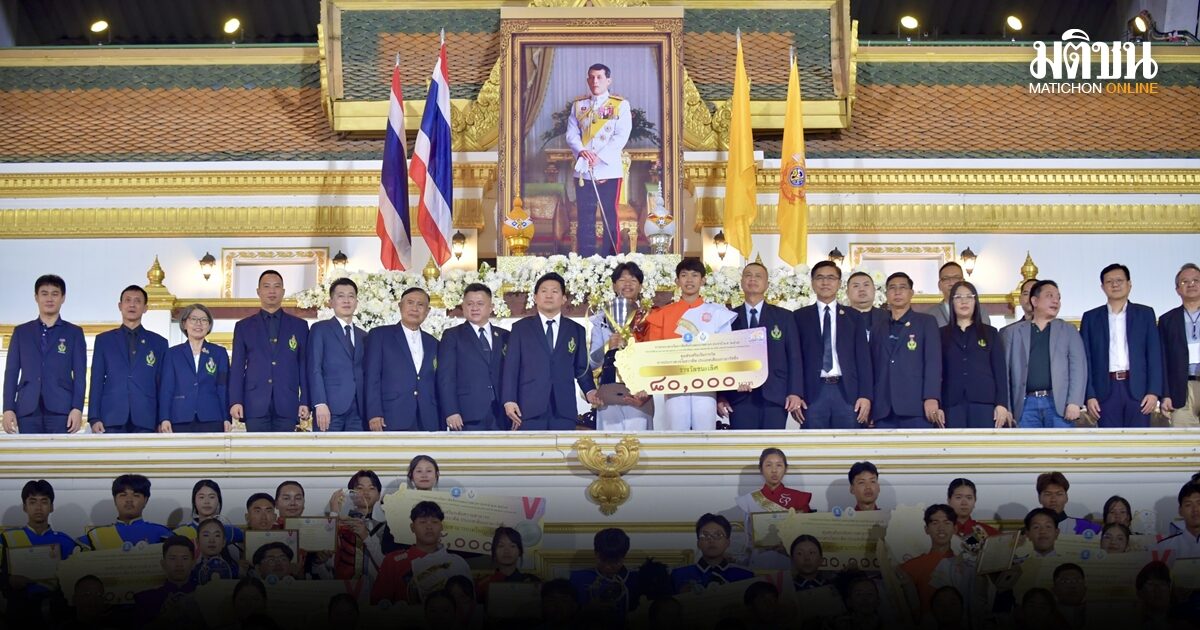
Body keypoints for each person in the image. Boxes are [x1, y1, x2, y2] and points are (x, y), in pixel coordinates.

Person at [643, 258, 735, 430]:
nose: (689, 280)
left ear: (703, 280)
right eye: (684, 275)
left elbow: (726, 352)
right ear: (677, 281)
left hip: (707, 384)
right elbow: (653, 352)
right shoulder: (662, 314)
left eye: (695, 275)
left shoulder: (718, 313)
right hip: (674, 385)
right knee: (676, 435)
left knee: (705, 436)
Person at [502, 272, 599, 431]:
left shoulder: (576, 330)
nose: (549, 295)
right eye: (544, 291)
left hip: (564, 409)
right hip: (529, 408)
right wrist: (509, 400)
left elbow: (582, 367)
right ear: (535, 297)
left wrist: (589, 390)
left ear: (564, 298)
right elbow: (511, 368)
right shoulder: (520, 329)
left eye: (554, 291)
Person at [718, 262, 804, 430]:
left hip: (775, 395)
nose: (753, 279)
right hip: (738, 396)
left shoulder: (784, 317)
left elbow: (794, 357)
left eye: (758, 276)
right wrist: (721, 395)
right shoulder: (728, 318)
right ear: (741, 282)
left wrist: (795, 392)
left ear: (767, 284)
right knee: (743, 444)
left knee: (772, 444)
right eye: (748, 275)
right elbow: (721, 358)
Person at [1080, 263, 1163, 428]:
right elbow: (1085, 360)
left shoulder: (1145, 314)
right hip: (1105, 391)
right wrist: (1089, 395)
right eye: (1109, 281)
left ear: (1129, 284)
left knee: (1139, 440)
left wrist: (1153, 392)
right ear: (1102, 287)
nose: (1115, 285)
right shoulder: (1091, 317)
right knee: (1109, 441)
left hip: (1138, 390)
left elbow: (1154, 354)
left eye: (1119, 280)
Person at [2, 274, 86, 434]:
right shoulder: (21, 332)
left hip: (62, 409)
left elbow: (80, 375)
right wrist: (8, 408)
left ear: (63, 298)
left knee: (59, 451)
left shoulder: (74, 333)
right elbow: (11, 373)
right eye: (44, 293)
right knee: (28, 451)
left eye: (55, 294)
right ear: (36, 297)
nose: (49, 299)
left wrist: (77, 408)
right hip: (27, 409)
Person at [794, 261, 872, 429]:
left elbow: (863, 359)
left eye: (831, 278)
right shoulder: (799, 317)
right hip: (812, 393)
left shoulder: (854, 317)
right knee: (813, 443)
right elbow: (795, 359)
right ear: (812, 283)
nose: (825, 282)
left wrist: (865, 395)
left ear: (839, 283)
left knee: (848, 442)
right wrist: (796, 393)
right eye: (820, 278)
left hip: (847, 392)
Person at [230, 269, 310, 432]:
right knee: (256, 448)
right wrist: (235, 400)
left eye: (276, 286)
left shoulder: (300, 326)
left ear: (283, 292)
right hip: (254, 403)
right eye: (266, 286)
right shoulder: (243, 326)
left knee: (284, 448)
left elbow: (304, 366)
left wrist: (305, 400)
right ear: (258, 291)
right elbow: (237, 367)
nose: (272, 291)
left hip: (287, 402)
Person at [565, 63, 632, 257]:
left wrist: (599, 157)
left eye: (599, 77)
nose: (595, 81)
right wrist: (582, 151)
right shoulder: (579, 106)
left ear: (608, 80)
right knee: (585, 217)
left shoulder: (620, 105)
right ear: (588, 80)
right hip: (584, 170)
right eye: (592, 77)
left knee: (609, 215)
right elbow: (571, 134)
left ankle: (611, 258)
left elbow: (621, 136)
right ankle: (586, 258)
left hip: (608, 169)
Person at [1002, 280, 1088, 428]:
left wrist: (1074, 402)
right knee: (1028, 444)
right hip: (1025, 405)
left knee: (1061, 444)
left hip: (1059, 405)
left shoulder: (1069, 330)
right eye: (1049, 296)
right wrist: (1007, 408)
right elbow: (1005, 374)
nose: (1056, 301)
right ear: (1034, 301)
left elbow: (1079, 367)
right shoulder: (1013, 333)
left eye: (1058, 297)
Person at [88, 285, 168, 434]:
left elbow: (162, 385)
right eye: (128, 300)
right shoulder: (104, 340)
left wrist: (163, 418)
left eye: (137, 301)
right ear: (120, 306)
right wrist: (94, 417)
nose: (132, 305)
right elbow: (96, 380)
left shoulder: (159, 343)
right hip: (111, 416)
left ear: (145, 308)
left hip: (147, 417)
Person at [0, 480, 81, 624]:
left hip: (58, 613)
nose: (38, 507)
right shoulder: (7, 539)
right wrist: (8, 580)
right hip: (19, 611)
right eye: (32, 502)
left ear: (51, 507)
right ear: (25, 507)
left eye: (44, 502)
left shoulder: (66, 541)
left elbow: (78, 579)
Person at [870, 272, 942, 429]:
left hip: (916, 407)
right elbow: (872, 367)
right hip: (884, 409)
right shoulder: (878, 327)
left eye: (902, 287)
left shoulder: (926, 322)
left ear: (911, 293)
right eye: (892, 288)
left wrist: (931, 397)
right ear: (886, 294)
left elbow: (933, 362)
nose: (897, 292)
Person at [937, 281, 1012, 428]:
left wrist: (1002, 404)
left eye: (969, 297)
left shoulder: (990, 333)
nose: (964, 301)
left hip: (984, 403)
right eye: (958, 297)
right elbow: (936, 372)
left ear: (975, 302)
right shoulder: (941, 334)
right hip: (951, 404)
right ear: (951, 302)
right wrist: (938, 404)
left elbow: (1000, 372)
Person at [364, 287, 440, 431]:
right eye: (410, 303)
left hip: (428, 418)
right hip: (391, 415)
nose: (415, 308)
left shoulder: (433, 343)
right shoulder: (380, 335)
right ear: (400, 306)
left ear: (427, 311)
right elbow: (372, 377)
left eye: (420, 304)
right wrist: (374, 413)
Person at [588, 263, 653, 431]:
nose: (627, 284)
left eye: (633, 280)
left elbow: (656, 358)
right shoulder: (601, 320)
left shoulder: (649, 318)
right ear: (614, 286)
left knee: (639, 443)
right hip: (608, 394)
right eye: (622, 279)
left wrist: (648, 390)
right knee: (608, 444)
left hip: (640, 394)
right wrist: (607, 346)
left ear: (640, 286)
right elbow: (592, 363)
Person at [438, 282, 509, 431]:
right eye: (469, 304)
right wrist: (451, 411)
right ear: (463, 307)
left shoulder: (505, 336)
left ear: (491, 307)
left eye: (480, 303)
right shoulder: (452, 336)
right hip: (467, 414)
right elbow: (446, 376)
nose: (474, 308)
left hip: (502, 412)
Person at [372, 501, 470, 604]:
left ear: (442, 526)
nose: (429, 527)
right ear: (412, 527)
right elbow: (378, 604)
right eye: (423, 522)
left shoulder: (458, 563)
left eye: (434, 522)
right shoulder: (393, 562)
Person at [159, 303, 230, 432]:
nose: (199, 324)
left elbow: (223, 387)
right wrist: (164, 418)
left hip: (212, 417)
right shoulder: (172, 353)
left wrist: (226, 418)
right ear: (184, 324)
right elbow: (166, 388)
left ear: (209, 325)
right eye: (193, 319)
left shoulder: (219, 353)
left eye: (204, 320)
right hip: (180, 417)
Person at [307, 277, 366, 431]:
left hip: (359, 411)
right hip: (329, 409)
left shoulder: (364, 336)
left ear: (356, 302)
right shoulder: (320, 329)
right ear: (331, 302)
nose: (346, 301)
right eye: (341, 296)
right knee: (328, 448)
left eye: (351, 296)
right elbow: (314, 368)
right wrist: (320, 403)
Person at [325, 469, 387, 581]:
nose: (365, 492)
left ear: (378, 495)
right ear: (351, 494)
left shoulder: (385, 529)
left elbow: (387, 566)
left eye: (371, 488)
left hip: (374, 588)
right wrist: (333, 514)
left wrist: (366, 536)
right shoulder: (339, 525)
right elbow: (327, 562)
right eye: (359, 488)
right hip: (341, 587)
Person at [569, 528, 641, 625]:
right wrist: (585, 609)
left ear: (624, 556)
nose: (607, 566)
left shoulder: (634, 579)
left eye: (615, 562)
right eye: (602, 560)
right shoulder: (578, 578)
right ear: (595, 553)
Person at [80, 473, 172, 549]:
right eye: (123, 495)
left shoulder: (162, 534)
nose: (129, 500)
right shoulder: (95, 536)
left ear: (145, 500)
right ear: (115, 500)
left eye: (136, 495)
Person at [671, 514, 754, 593]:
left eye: (718, 535)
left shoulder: (745, 576)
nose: (711, 540)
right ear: (698, 543)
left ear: (727, 542)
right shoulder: (678, 575)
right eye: (705, 535)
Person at [1160, 262, 1200, 427]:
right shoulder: (1167, 320)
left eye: (1196, 280)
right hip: (1181, 390)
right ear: (1177, 289)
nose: (1191, 284)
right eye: (1185, 281)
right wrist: (1165, 394)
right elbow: (1162, 361)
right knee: (1184, 440)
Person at [899, 504, 957, 618]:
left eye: (947, 523)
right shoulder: (910, 567)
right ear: (926, 529)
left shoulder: (967, 566)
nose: (941, 528)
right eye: (935, 523)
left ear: (955, 529)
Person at [133, 535, 198, 625]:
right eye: (173, 558)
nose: (179, 564)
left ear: (193, 563)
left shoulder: (207, 597)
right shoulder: (145, 599)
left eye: (185, 558)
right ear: (163, 564)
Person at [475, 526, 540, 605]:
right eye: (501, 546)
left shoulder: (532, 582)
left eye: (512, 546)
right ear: (494, 552)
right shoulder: (484, 584)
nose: (506, 551)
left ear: (520, 551)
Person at [173, 479, 244, 548]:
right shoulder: (182, 532)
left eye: (211, 497)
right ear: (194, 501)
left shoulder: (231, 531)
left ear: (218, 501)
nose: (206, 501)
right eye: (201, 497)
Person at [1035, 471, 1101, 535]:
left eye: (1059, 494)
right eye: (1048, 494)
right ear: (1039, 498)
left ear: (1066, 498)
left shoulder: (1086, 527)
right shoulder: (1031, 528)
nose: (1053, 499)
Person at [1152, 481, 1200, 565]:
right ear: (1180, 511)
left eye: (1199, 503)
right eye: (1188, 505)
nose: (1195, 509)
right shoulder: (1162, 548)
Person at [191, 518, 238, 584]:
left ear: (224, 542)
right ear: (197, 542)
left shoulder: (235, 570)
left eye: (217, 535)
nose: (212, 540)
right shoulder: (191, 571)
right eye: (206, 535)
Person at [846, 271, 888, 341]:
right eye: (856, 286)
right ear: (847, 293)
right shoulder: (839, 318)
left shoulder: (887, 317)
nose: (862, 289)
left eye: (866, 285)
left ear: (874, 290)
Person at [1050, 563, 1087, 629]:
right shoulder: (1045, 616)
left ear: (1085, 588)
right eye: (1065, 581)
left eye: (1077, 581)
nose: (1072, 586)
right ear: (1054, 590)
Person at [931, 262, 965, 328]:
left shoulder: (980, 311)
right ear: (939, 285)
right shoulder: (929, 315)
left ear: (964, 282)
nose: (952, 283)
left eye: (956, 278)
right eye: (946, 278)